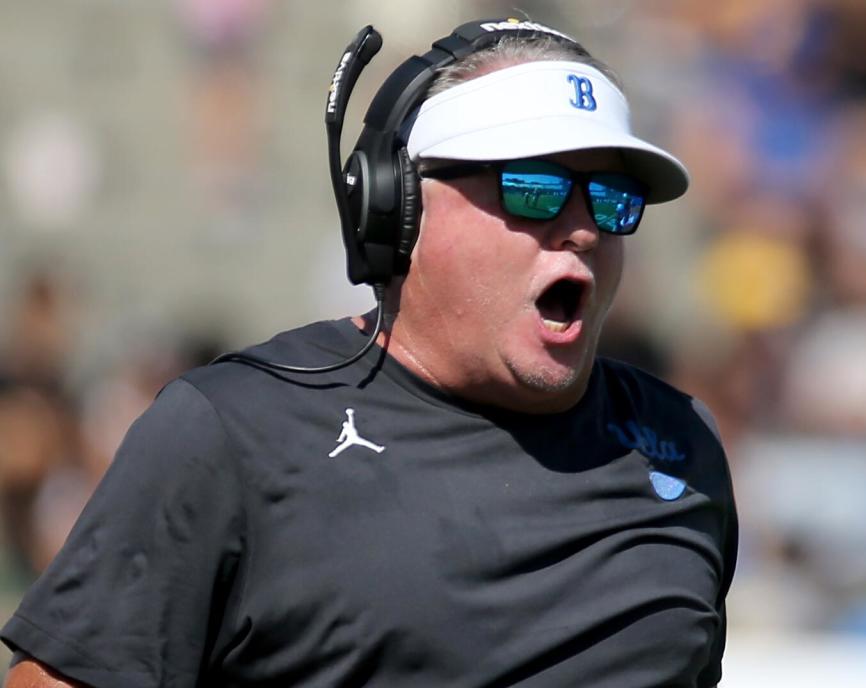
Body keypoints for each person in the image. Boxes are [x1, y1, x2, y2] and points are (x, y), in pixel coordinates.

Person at [1, 17, 737, 688]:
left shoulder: (681, 447)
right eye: (535, 189)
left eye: (611, 201)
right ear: (398, 204)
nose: (582, 230)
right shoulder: (231, 433)